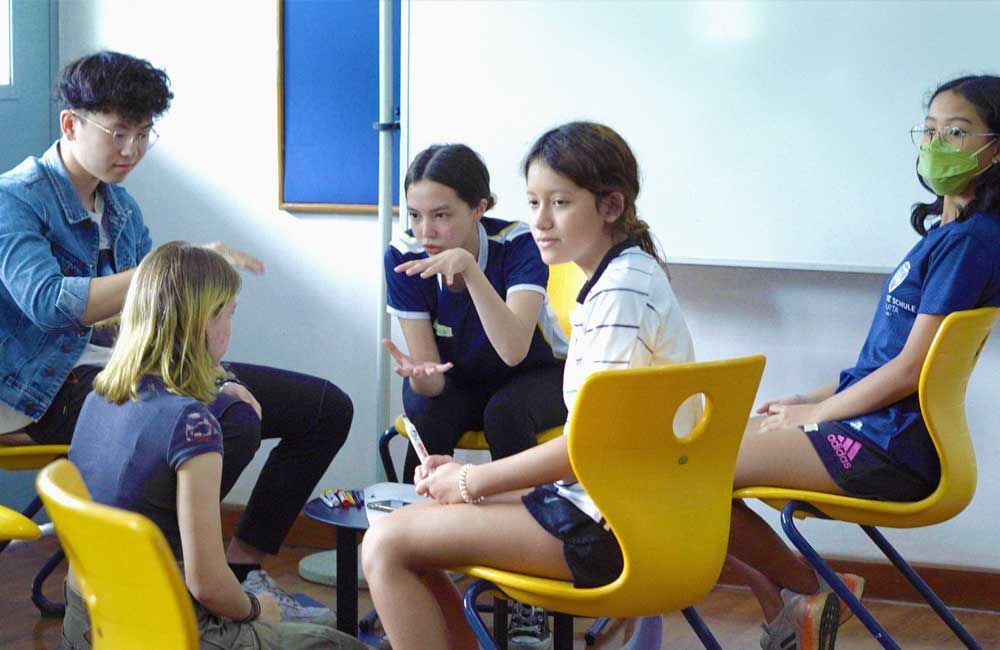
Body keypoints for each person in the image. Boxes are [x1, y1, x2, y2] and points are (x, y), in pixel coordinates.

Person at [0, 51, 353, 622]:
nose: (131, 150)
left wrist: (219, 376)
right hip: (35, 394)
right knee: (227, 418)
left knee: (324, 408)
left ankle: (237, 572)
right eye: (118, 133)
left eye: (144, 134)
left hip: (119, 369)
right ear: (71, 124)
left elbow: (153, 322)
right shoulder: (14, 198)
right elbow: (47, 304)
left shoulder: (121, 208)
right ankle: (176, 575)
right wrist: (174, 266)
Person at [362, 122, 697, 650]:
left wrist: (475, 483)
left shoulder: (620, 294)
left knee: (385, 542)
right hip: (618, 504)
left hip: (612, 527)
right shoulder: (621, 279)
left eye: (559, 203)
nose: (539, 221)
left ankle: (521, 612)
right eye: (534, 201)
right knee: (417, 523)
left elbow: (584, 449)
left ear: (610, 206)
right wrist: (465, 478)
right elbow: (595, 451)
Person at [729, 74, 1000, 650]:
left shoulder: (975, 241)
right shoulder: (951, 232)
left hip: (887, 448)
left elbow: (908, 370)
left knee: (688, 464)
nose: (936, 145)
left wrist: (820, 413)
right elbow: (883, 360)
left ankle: (813, 592)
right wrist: (810, 399)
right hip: (876, 432)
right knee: (692, 462)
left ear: (995, 147)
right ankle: (795, 611)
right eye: (929, 131)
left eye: (956, 132)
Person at [61, 242, 363, 650]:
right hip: (164, 630)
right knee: (344, 645)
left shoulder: (99, 396)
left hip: (89, 625)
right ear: (205, 321)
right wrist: (256, 607)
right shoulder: (193, 425)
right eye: (230, 312)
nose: (232, 325)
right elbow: (207, 585)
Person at [382, 143, 570, 647]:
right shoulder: (403, 255)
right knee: (422, 409)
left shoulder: (517, 244)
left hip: (536, 372)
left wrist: (469, 270)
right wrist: (417, 376)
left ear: (479, 209)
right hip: (461, 377)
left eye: (442, 216)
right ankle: (413, 571)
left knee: (505, 412)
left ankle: (527, 593)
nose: (426, 231)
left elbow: (512, 350)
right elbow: (434, 376)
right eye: (416, 214)